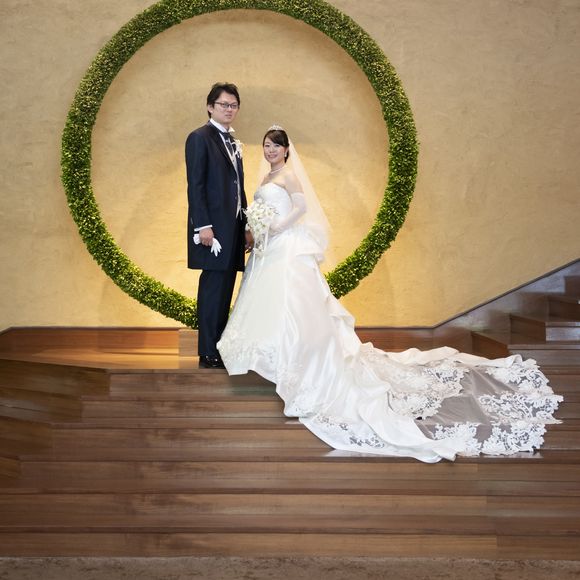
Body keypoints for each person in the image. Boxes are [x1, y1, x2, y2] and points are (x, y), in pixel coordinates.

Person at [217, 126, 562, 463]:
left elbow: (301, 207)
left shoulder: (289, 175)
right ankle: (269, 355)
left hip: (287, 245)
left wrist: (277, 226)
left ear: (286, 150)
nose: (270, 150)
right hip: (268, 248)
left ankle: (297, 358)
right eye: (267, 145)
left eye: (276, 146)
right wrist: (257, 230)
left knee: (294, 303)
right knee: (268, 303)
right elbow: (262, 212)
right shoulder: (265, 177)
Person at [185, 82, 250, 369]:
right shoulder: (199, 138)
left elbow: (239, 188)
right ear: (210, 107)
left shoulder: (233, 142)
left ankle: (219, 348)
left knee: (225, 290)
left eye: (234, 105)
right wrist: (203, 226)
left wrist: (245, 226)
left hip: (232, 228)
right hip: (212, 230)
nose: (229, 109)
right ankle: (207, 351)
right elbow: (196, 185)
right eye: (224, 104)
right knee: (212, 289)